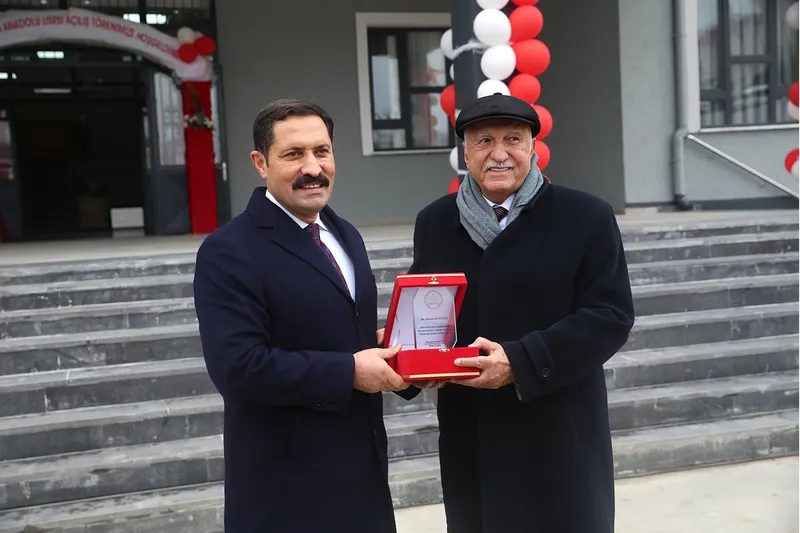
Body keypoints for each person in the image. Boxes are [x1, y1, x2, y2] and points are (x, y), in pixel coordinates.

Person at [407, 93, 635, 533]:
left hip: (559, 425)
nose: (499, 153)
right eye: (484, 141)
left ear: (533, 148)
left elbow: (610, 315)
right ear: (465, 153)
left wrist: (520, 362)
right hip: (472, 428)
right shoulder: (435, 221)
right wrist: (413, 353)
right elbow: (428, 305)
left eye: (513, 139)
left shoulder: (585, 216)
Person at [193, 98, 412, 533]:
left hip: (362, 480)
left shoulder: (344, 233)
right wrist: (350, 371)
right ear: (260, 163)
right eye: (294, 154)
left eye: (322, 151)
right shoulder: (228, 250)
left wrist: (398, 354)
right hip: (286, 490)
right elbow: (238, 368)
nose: (313, 167)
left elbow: (343, 333)